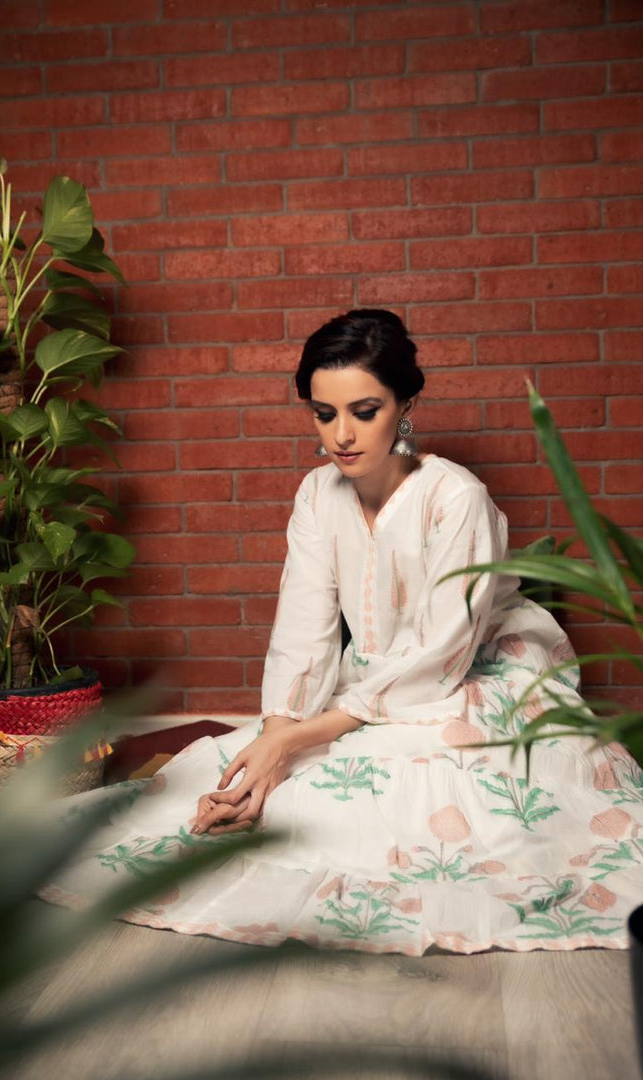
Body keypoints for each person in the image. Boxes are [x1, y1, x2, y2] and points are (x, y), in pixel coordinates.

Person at [42, 309, 643, 955]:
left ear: (405, 405)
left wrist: (295, 739)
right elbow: (303, 629)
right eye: (324, 414)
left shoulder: (456, 498)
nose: (343, 435)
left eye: (364, 411)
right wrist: (274, 746)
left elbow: (441, 655)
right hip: (375, 675)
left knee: (386, 799)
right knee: (248, 783)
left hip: (474, 673)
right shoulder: (316, 494)